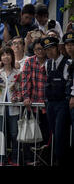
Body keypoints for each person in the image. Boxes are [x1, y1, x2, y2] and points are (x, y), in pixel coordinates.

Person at [0, 47, 22, 165]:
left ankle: (15, 158)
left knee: (14, 134)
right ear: (0, 57)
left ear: (12, 57)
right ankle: (0, 159)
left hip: (14, 107)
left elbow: (20, 89)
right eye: (3, 55)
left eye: (8, 54)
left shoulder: (18, 73)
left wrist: (17, 97)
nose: (6, 57)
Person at [41, 36, 72, 166]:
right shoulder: (47, 63)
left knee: (60, 134)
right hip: (50, 104)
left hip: (62, 104)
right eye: (47, 49)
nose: (50, 52)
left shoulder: (68, 63)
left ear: (58, 48)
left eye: (52, 48)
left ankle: (61, 160)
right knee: (53, 133)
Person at [21, 37, 50, 165]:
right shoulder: (29, 62)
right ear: (34, 50)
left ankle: (44, 160)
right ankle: (28, 160)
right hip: (32, 105)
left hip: (47, 105)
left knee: (45, 134)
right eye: (37, 49)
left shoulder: (51, 62)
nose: (40, 51)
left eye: (42, 48)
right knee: (30, 135)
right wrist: (26, 97)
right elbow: (25, 82)